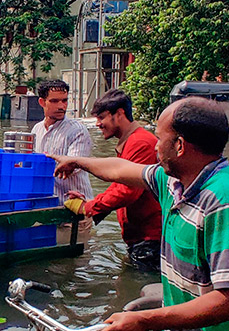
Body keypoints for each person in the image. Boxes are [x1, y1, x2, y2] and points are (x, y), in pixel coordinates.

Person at [52, 97, 229, 331]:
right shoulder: (172, 184)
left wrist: (145, 321)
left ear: (180, 146)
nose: (155, 146)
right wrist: (78, 162)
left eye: (160, 138)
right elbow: (121, 169)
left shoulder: (226, 203)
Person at [64, 89, 161, 273]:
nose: (98, 124)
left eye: (102, 117)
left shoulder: (140, 142)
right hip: (141, 237)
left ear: (120, 114)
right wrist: (90, 204)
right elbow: (120, 186)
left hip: (151, 238)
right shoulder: (132, 141)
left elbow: (128, 191)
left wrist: (89, 207)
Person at [32, 78, 92, 201]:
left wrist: (36, 166)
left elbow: (72, 167)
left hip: (76, 205)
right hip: (48, 204)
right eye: (54, 101)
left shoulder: (77, 131)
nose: (61, 106)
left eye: (64, 101)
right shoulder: (36, 130)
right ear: (42, 102)